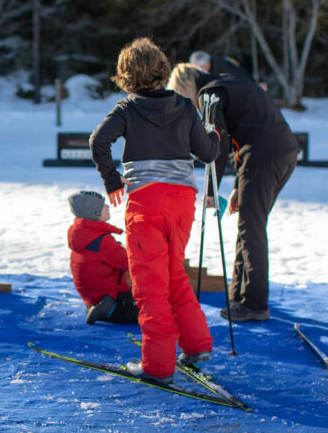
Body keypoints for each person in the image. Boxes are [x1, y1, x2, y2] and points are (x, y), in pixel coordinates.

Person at [89, 38, 221, 386]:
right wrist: (214, 135)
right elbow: (207, 153)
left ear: (126, 76)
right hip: (181, 202)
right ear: (162, 70)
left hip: (146, 203)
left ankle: (158, 366)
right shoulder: (183, 105)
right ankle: (197, 345)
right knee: (173, 273)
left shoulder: (127, 108)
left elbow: (98, 141)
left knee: (150, 284)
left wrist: (112, 180)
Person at [167, 63, 298, 322]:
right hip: (283, 153)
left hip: (262, 157)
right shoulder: (231, 82)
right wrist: (239, 185)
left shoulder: (209, 94)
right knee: (249, 225)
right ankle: (239, 295)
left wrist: (210, 190)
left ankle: (254, 304)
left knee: (251, 228)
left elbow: (216, 140)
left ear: (186, 88)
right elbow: (247, 127)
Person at [66, 191, 139, 325]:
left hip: (93, 296)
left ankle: (99, 308)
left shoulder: (81, 233)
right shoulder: (102, 240)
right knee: (154, 312)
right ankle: (107, 309)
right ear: (96, 214)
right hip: (111, 297)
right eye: (103, 205)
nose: (107, 207)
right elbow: (128, 263)